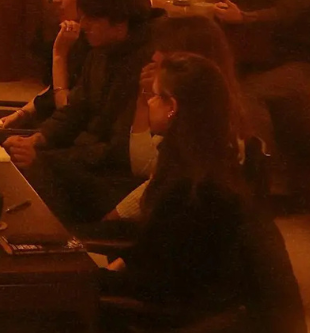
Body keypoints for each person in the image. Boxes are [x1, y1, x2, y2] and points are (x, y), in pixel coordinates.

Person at [4, 0, 153, 226]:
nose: (83, 26)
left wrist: (47, 158)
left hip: (115, 177)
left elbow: (118, 150)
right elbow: (75, 109)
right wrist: (39, 138)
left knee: (35, 171)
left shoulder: (145, 66)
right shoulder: (101, 50)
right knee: (4, 146)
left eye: (92, 19)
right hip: (86, 158)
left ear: (120, 20)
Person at [100, 53, 247, 310]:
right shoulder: (199, 158)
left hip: (168, 322)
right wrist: (120, 263)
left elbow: (159, 283)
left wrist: (88, 280)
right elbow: (154, 249)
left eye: (156, 95)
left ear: (173, 107)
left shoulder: (191, 185)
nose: (150, 102)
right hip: (162, 293)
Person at [111, 14, 245, 222]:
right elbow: (143, 166)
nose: (154, 56)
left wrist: (114, 216)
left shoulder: (211, 126)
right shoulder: (180, 113)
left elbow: (160, 183)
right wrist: (143, 98)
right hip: (153, 194)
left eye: (163, 51)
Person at [0, 0, 126, 132]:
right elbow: (51, 91)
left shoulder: (99, 44)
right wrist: (22, 114)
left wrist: (59, 55)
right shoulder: (77, 35)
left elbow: (68, 113)